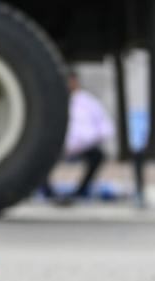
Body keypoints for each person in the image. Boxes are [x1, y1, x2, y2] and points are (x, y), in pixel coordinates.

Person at [42, 71, 114, 205]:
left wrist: (88, 140)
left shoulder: (89, 102)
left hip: (83, 147)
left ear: (76, 82)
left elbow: (106, 127)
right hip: (57, 146)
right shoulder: (53, 100)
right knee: (39, 156)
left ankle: (81, 190)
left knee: (98, 156)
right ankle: (48, 191)